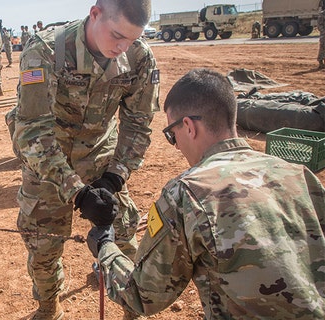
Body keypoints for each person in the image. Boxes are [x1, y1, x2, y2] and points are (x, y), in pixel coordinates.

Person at [86, 68, 325, 319]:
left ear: (188, 126)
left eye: (171, 135)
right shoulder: (299, 175)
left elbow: (142, 295)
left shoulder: (186, 194)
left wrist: (105, 245)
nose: (176, 146)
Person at [5, 0, 159, 318]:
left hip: (102, 156)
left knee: (123, 233)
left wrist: (115, 176)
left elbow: (138, 124)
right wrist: (78, 191)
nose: (122, 46)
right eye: (117, 35)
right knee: (42, 244)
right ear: (95, 14)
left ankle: (132, 305)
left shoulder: (138, 56)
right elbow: (33, 132)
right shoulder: (46, 50)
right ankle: (49, 307)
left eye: (131, 38)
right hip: (48, 163)